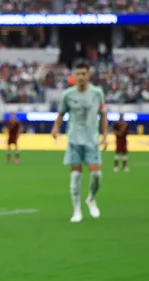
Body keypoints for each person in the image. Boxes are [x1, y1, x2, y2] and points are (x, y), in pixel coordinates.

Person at [51, 61, 108, 223]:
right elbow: (61, 114)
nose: (81, 77)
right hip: (74, 139)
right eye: (78, 74)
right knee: (75, 176)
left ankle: (91, 198)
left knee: (96, 175)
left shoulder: (97, 93)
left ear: (88, 75)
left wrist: (104, 135)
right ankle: (76, 210)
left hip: (92, 140)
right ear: (74, 76)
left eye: (84, 73)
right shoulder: (67, 95)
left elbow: (103, 115)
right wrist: (55, 128)